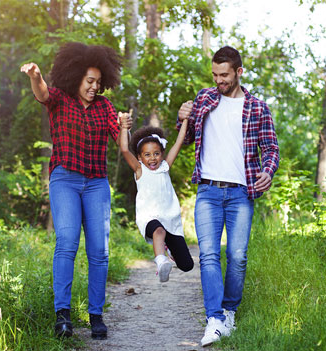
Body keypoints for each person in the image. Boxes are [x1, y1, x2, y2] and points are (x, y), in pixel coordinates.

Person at [20, 42, 132, 340]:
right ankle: (63, 317)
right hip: (65, 180)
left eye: (98, 82)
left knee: (99, 251)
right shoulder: (60, 98)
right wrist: (35, 75)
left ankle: (96, 315)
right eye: (89, 81)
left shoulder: (105, 107)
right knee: (67, 242)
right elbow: (42, 92)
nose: (94, 87)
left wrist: (124, 126)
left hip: (96, 183)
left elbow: (123, 145)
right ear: (76, 77)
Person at [177, 46, 279, 346]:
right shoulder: (205, 98)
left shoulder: (258, 108)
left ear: (239, 72)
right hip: (208, 190)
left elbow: (271, 149)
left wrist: (268, 172)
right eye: (215, 74)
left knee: (237, 256)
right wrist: (182, 117)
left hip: (241, 193)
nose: (219, 80)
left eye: (224, 75)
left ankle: (230, 311)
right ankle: (214, 318)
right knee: (208, 255)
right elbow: (188, 136)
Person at [119, 114, 194, 282]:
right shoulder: (140, 170)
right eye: (147, 155)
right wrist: (124, 128)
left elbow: (179, 142)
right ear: (139, 157)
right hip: (149, 217)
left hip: (170, 218)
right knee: (158, 230)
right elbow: (124, 149)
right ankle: (161, 261)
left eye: (156, 153)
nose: (152, 158)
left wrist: (185, 120)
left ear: (161, 154)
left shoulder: (165, 167)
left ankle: (168, 248)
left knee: (186, 265)